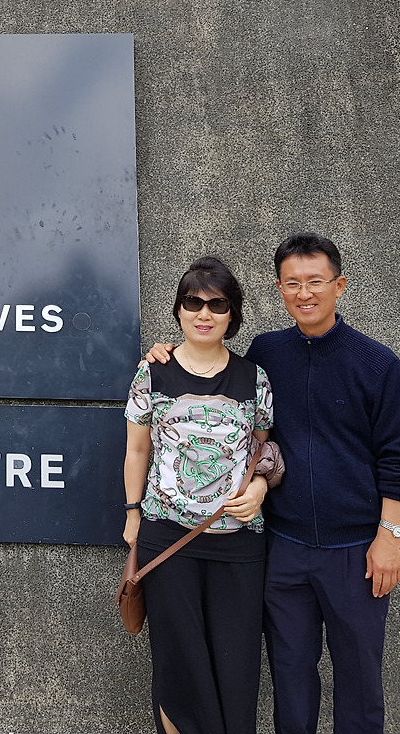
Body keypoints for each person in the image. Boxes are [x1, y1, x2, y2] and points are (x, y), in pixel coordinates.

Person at [147, 235, 400, 734]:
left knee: (360, 678)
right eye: (292, 283)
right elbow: (243, 423)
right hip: (284, 547)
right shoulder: (266, 354)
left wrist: (389, 538)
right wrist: (166, 352)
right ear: (279, 289)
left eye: (315, 281)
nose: (304, 293)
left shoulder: (377, 363)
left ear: (340, 285)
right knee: (290, 676)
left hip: (356, 550)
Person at [123, 255, 283, 734]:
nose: (204, 313)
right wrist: (132, 515)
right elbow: (136, 451)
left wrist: (260, 487)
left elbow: (263, 450)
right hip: (168, 538)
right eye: (193, 302)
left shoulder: (254, 378)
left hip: (240, 544)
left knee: (236, 668)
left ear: (233, 314)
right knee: (180, 666)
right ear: (178, 310)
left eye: (217, 304)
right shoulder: (152, 374)